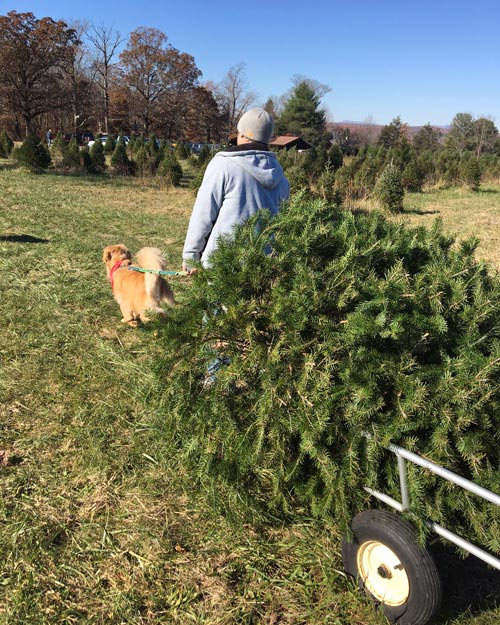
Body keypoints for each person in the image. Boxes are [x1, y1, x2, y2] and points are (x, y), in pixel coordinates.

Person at [182, 108, 289, 273]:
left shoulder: (223, 165)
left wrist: (191, 256)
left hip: (222, 268)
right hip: (262, 269)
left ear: (243, 135)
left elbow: (203, 213)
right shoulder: (281, 177)